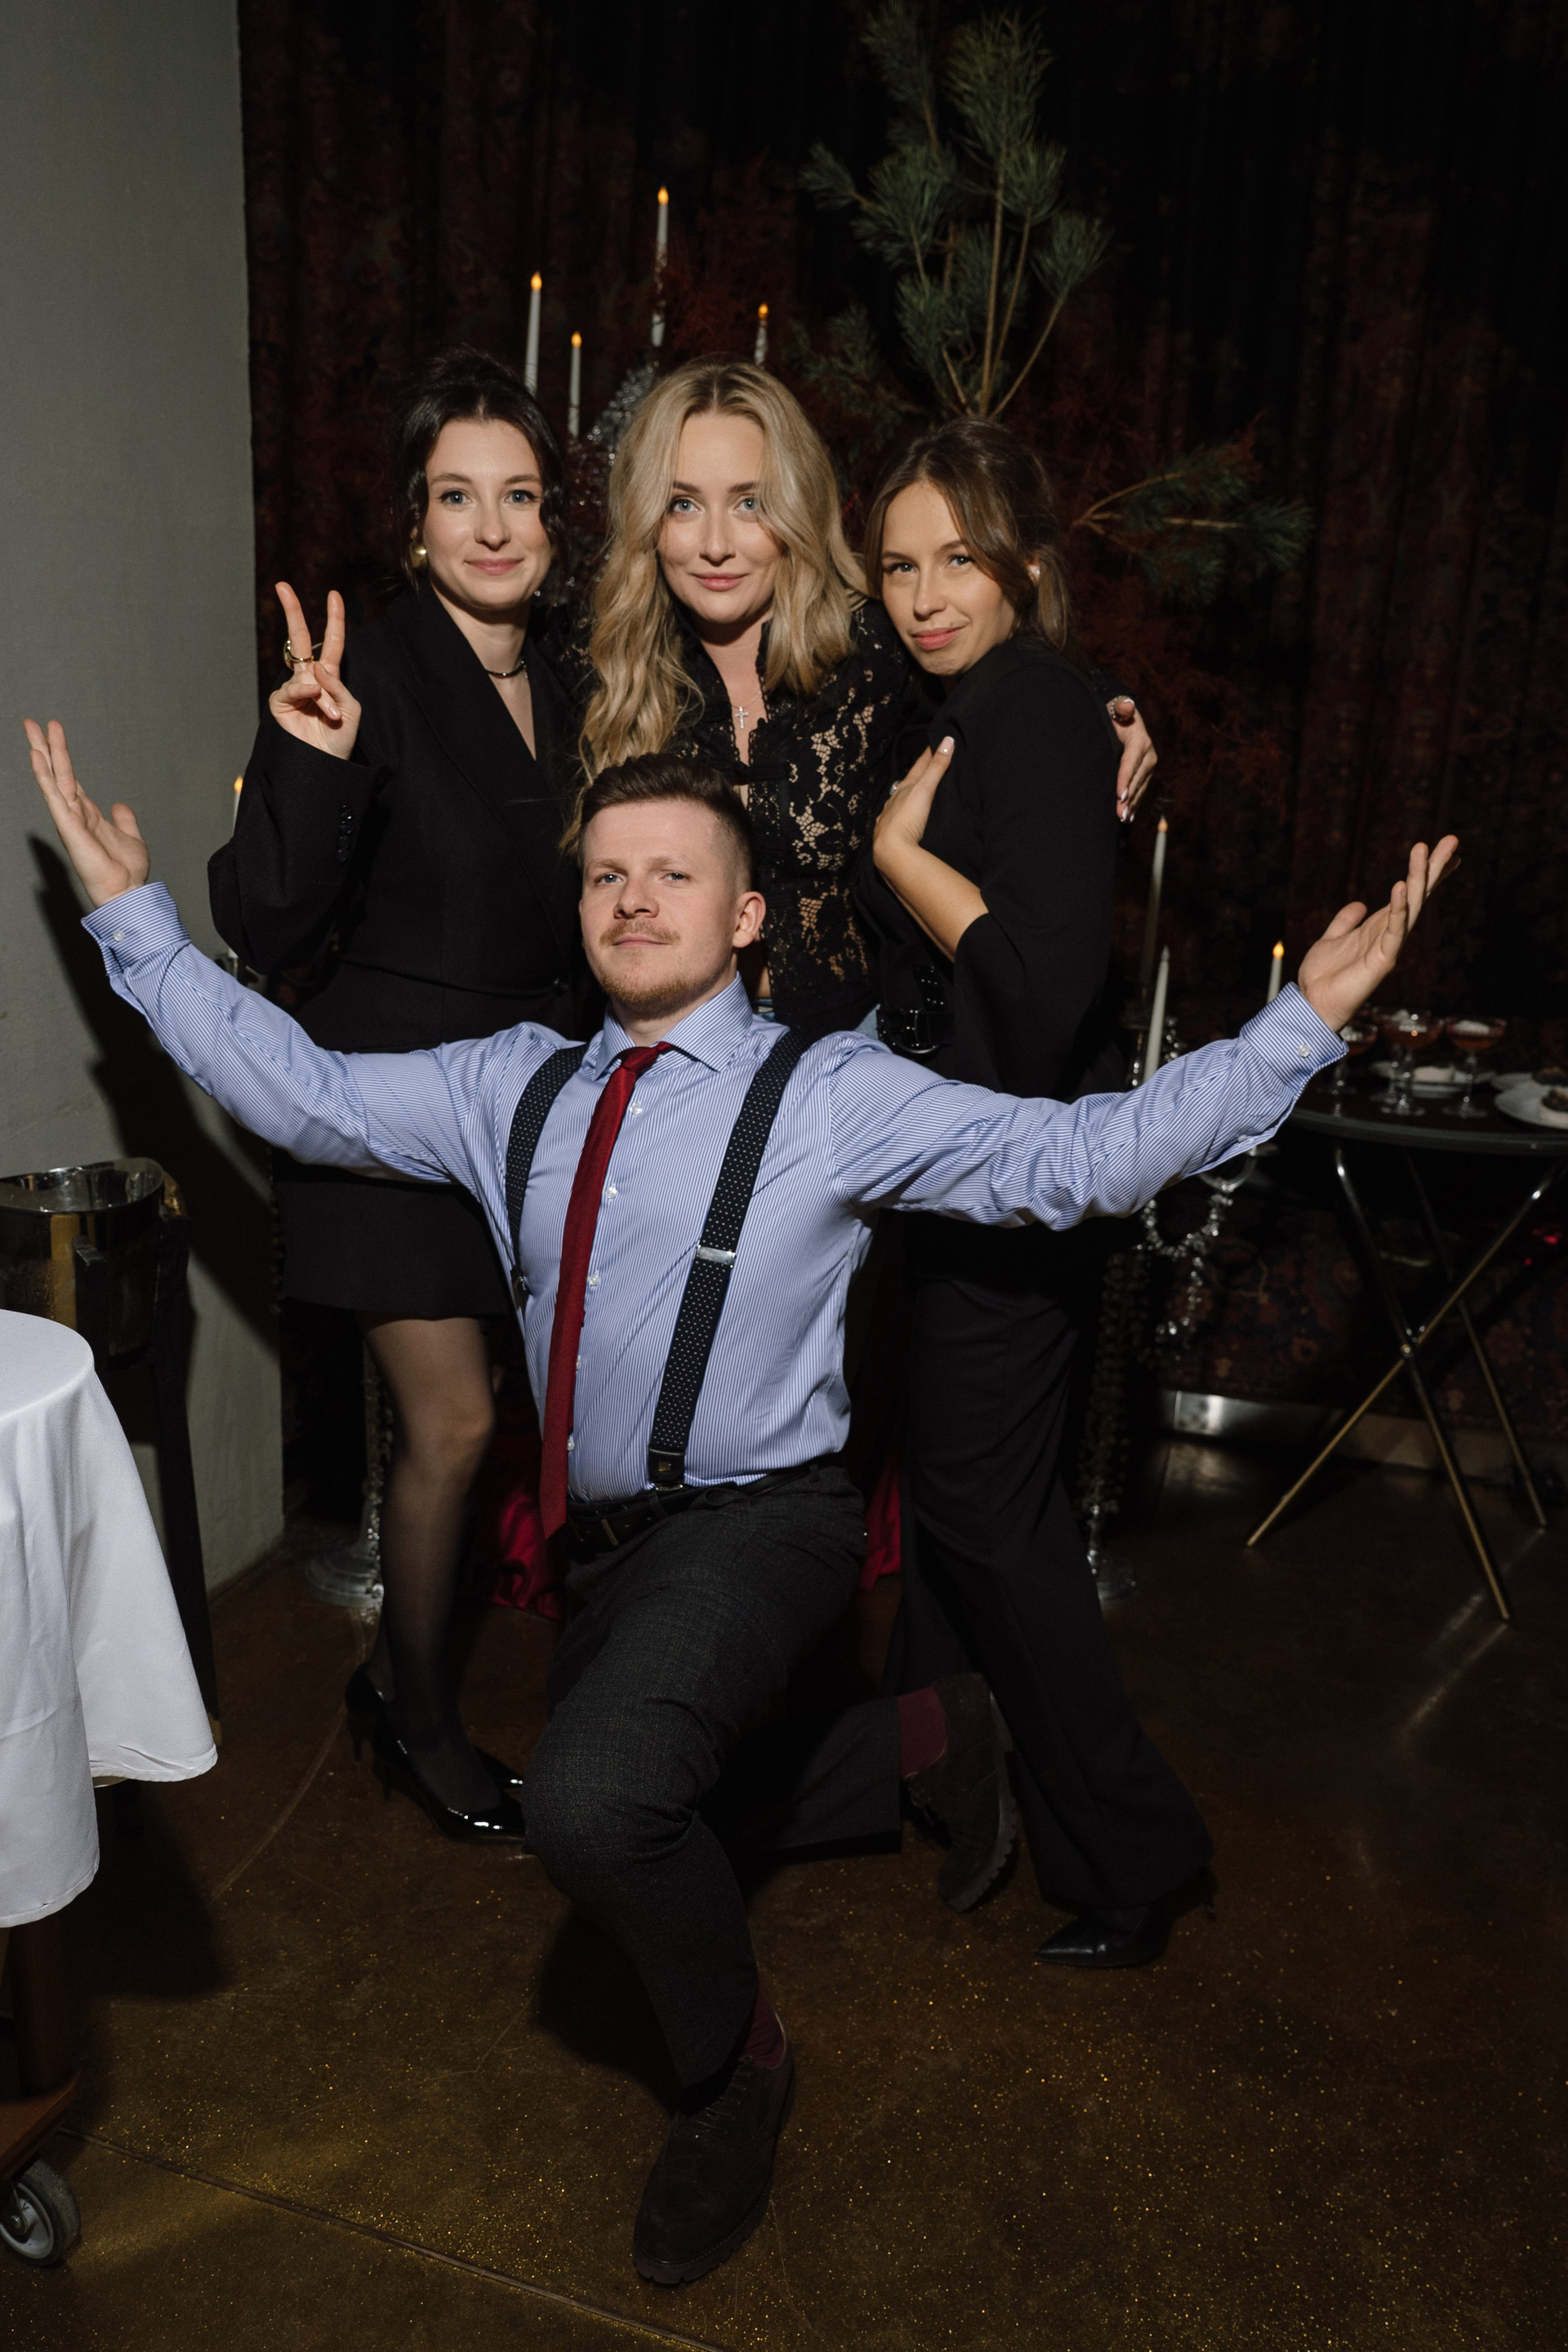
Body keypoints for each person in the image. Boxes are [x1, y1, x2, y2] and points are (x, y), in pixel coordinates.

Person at [29, 713, 1451, 2286]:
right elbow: (300, 1092)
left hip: (769, 1521)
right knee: (655, 1797)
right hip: (602, 1551)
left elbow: (1082, 1159)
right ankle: (928, 1735)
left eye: (674, 875)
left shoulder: (833, 1093)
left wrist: (1297, 1027)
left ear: (747, 914)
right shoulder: (511, 1084)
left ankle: (734, 2075)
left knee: (589, 1801)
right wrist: (134, 920)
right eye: (608, 877)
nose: (635, 899)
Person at [857, 416, 1223, 1965]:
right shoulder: (991, 701)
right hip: (963, 1164)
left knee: (988, 1516)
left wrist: (905, 863)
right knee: (959, 1494)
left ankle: (1136, 1857)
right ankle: (943, 1767)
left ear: (1021, 563)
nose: (924, 595)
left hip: (1013, 1172)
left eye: (959, 559)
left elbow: (1046, 988)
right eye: (898, 566)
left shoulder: (1039, 712)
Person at [209, 349, 586, 1834]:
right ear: (413, 523)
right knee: (454, 1423)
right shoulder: (365, 668)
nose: (492, 527)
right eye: (456, 497)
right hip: (387, 1113)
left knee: (493, 1423)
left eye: (521, 496)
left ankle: (394, 1682)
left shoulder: (574, 680)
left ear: (553, 520)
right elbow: (266, 916)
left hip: (521, 1115)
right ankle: (420, 1718)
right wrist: (305, 760)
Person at [565, 359, 1158, 1036]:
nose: (716, 545)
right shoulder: (600, 659)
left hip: (855, 1046)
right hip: (657, 1034)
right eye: (683, 504)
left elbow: (998, 671)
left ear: (794, 505)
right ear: (647, 517)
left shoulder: (871, 647)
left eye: (750, 503)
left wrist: (1107, 704)